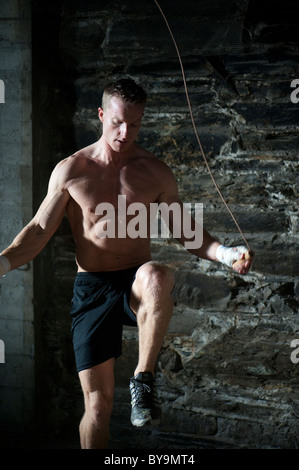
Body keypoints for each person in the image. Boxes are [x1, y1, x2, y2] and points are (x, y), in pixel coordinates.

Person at [0, 78, 253, 448]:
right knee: (98, 409)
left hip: (135, 282)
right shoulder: (72, 171)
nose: (125, 132)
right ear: (101, 115)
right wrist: (3, 263)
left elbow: (187, 233)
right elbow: (39, 229)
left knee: (156, 273)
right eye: (118, 122)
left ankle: (143, 380)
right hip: (92, 287)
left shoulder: (155, 172)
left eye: (135, 124)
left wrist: (226, 254)